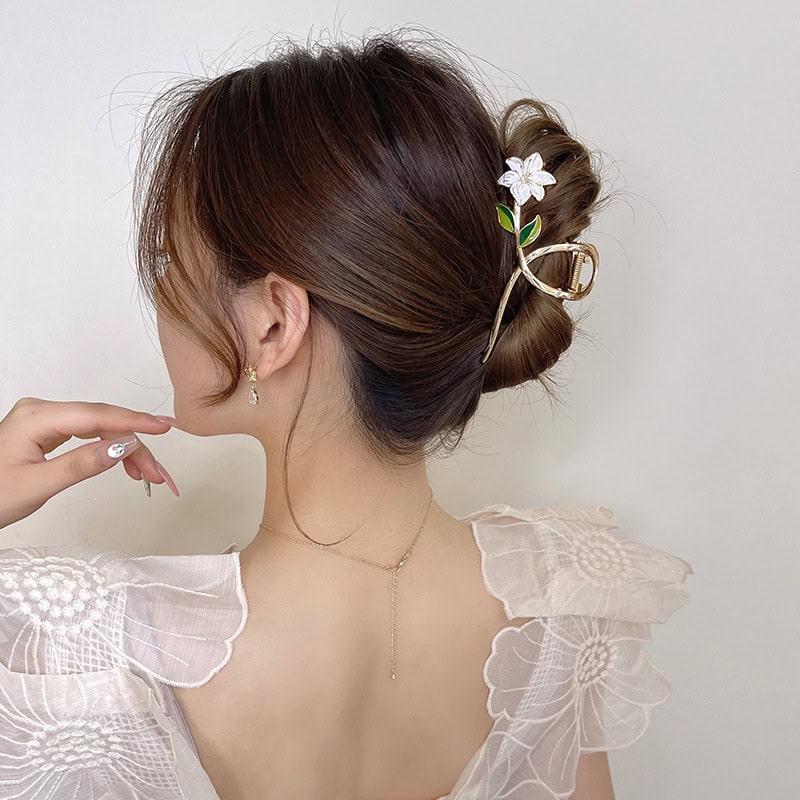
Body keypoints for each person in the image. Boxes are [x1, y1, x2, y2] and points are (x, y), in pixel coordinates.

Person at [0, 30, 693, 800]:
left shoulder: (79, 644)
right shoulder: (559, 609)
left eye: (170, 261)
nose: (157, 298)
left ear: (274, 322)